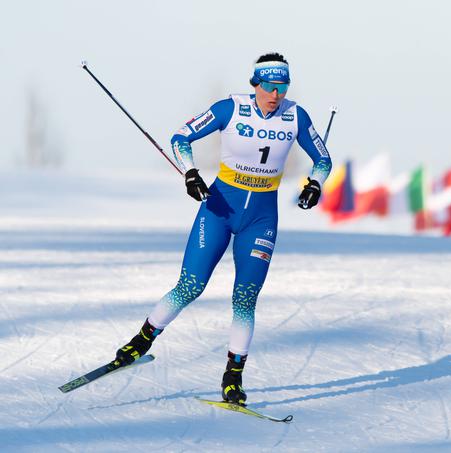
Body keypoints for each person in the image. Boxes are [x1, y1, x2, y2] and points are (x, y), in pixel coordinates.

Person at [113, 52, 332, 406]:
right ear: (255, 84)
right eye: (269, 86)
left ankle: (233, 377)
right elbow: (181, 137)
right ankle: (141, 341)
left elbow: (323, 159)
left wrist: (315, 184)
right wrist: (190, 172)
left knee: (245, 298)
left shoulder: (296, 115)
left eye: (283, 86)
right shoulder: (231, 108)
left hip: (261, 218)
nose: (276, 94)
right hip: (218, 208)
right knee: (191, 286)